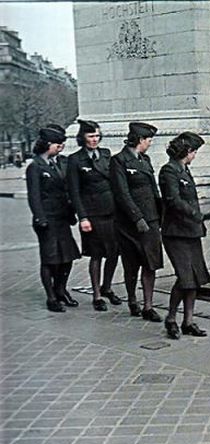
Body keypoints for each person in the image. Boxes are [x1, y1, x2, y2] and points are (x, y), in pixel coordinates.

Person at [159, 132, 210, 339]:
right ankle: (171, 318)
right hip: (175, 233)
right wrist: (195, 215)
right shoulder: (169, 171)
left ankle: (188, 321)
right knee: (184, 277)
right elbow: (173, 200)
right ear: (187, 151)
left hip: (190, 231)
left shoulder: (184, 170)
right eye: (194, 151)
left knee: (195, 278)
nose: (195, 155)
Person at [110, 122, 163, 321]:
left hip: (151, 221)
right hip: (129, 224)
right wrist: (137, 217)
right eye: (148, 140)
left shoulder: (145, 159)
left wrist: (160, 216)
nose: (150, 144)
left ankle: (148, 306)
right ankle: (133, 300)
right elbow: (122, 193)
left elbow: (153, 190)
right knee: (131, 265)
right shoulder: (119, 161)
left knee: (150, 264)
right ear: (140, 140)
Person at [67, 120, 123, 311]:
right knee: (97, 254)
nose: (94, 140)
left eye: (97, 136)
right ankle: (97, 295)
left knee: (114, 253)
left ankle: (107, 287)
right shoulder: (75, 160)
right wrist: (83, 218)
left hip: (112, 211)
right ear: (82, 137)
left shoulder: (106, 154)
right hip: (93, 214)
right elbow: (74, 192)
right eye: (91, 136)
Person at [26, 126, 81, 312]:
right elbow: (34, 196)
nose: (61, 147)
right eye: (58, 144)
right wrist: (40, 218)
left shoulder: (57, 164)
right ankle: (51, 297)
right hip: (47, 220)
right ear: (48, 144)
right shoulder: (35, 167)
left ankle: (61, 289)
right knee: (50, 259)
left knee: (67, 256)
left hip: (62, 218)